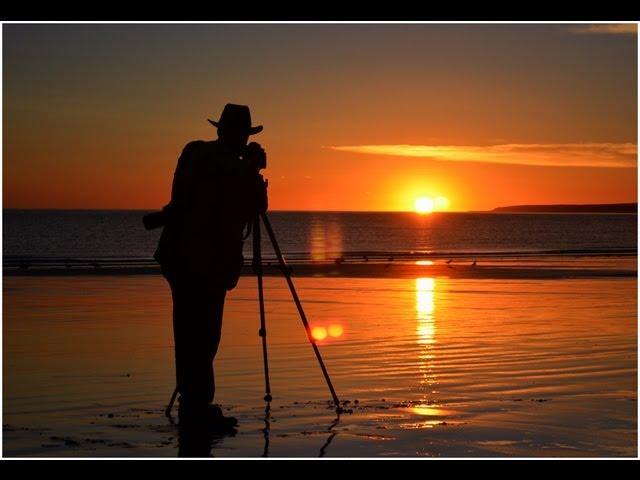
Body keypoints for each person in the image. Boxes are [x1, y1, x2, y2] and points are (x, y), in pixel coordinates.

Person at [153, 104, 268, 433]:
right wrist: (251, 172)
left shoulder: (197, 153)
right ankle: (197, 409)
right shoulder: (218, 162)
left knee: (192, 334)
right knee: (202, 335)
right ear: (236, 134)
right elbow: (246, 205)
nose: (243, 141)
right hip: (200, 262)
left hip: (182, 258)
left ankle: (195, 405)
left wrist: (249, 171)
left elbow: (244, 207)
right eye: (243, 135)